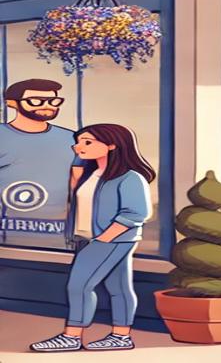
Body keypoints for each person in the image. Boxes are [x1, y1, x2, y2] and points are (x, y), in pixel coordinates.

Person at [29, 123, 154, 352]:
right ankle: (121, 336)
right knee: (119, 287)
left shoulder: (130, 178)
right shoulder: (92, 173)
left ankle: (72, 336)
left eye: (87, 142)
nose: (78, 147)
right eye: (78, 142)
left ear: (112, 144)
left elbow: (137, 212)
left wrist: (105, 238)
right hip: (89, 238)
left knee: (79, 285)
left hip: (112, 239)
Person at [1, 79, 85, 247]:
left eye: (53, 101)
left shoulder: (73, 140)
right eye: (36, 101)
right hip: (6, 244)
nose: (47, 106)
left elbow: (80, 187)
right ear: (12, 103)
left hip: (58, 243)